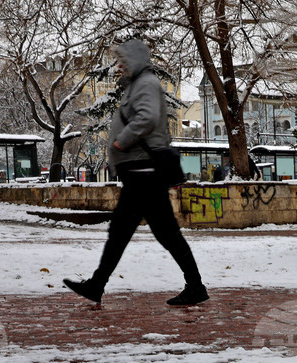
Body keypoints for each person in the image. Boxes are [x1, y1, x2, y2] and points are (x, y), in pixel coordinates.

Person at [64, 39, 207, 307]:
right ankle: (194, 286)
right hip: (139, 172)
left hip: (144, 171)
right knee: (151, 234)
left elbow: (148, 117)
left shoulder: (146, 84)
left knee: (136, 234)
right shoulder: (137, 84)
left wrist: (121, 141)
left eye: (123, 61)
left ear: (135, 61)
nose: (119, 66)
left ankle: (98, 284)